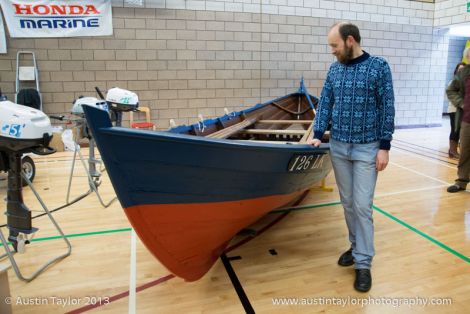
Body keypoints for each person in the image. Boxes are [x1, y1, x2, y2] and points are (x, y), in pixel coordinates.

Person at [308, 22, 395, 292]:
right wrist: (318, 132)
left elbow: (387, 106)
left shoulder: (378, 67)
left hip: (368, 147)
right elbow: (325, 102)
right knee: (347, 204)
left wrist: (384, 146)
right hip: (339, 147)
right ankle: (357, 247)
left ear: (349, 41)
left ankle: (364, 264)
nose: (332, 51)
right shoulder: (335, 70)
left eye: (334, 45)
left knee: (362, 206)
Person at [446, 47, 470, 193]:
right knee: (466, 151)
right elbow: (451, 90)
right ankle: (461, 181)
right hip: (467, 120)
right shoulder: (463, 73)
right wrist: (461, 103)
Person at [447, 62, 466, 159]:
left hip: (463, 111)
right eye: (459, 69)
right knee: (455, 130)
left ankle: (455, 150)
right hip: (454, 110)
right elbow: (450, 96)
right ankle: (452, 151)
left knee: (460, 130)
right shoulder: (453, 82)